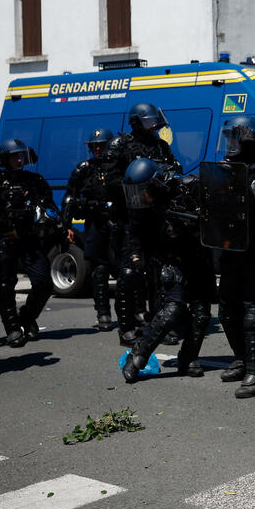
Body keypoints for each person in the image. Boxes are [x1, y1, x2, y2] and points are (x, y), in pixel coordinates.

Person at [120, 158, 214, 383]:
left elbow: (210, 219)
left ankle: (188, 358)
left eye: (144, 191)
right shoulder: (142, 208)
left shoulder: (183, 192)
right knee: (171, 310)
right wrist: (136, 256)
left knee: (201, 314)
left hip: (197, 258)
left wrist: (192, 219)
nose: (141, 196)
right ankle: (138, 357)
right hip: (169, 260)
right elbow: (134, 232)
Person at [105, 103, 182, 347]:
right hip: (131, 218)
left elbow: (174, 170)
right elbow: (110, 180)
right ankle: (127, 327)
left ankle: (160, 325)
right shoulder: (120, 145)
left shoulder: (161, 145)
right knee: (130, 274)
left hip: (158, 217)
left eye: (154, 121)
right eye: (149, 121)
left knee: (160, 275)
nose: (154, 126)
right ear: (136, 122)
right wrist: (138, 183)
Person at [215, 115, 255, 398]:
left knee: (254, 311)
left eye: (234, 137)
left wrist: (228, 178)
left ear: (248, 137)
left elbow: (251, 202)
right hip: (232, 248)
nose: (230, 144)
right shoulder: (235, 167)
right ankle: (241, 358)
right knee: (227, 308)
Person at [0, 139, 57, 347]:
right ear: (4, 158)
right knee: (6, 283)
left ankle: (26, 317)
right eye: (14, 156)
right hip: (4, 238)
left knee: (44, 282)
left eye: (21, 156)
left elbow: (49, 204)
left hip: (29, 237)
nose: (19, 160)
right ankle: (12, 327)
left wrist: (50, 219)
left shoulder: (34, 180)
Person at [62, 128, 115, 332]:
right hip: (95, 224)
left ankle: (133, 315)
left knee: (128, 270)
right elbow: (69, 197)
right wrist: (66, 226)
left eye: (102, 145)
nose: (99, 150)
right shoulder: (84, 169)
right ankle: (103, 314)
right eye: (95, 146)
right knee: (99, 270)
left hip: (118, 224)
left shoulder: (120, 167)